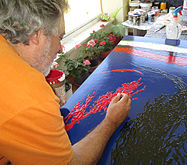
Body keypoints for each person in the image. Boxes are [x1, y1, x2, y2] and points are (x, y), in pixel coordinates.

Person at [0, 0, 131, 164]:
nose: (61, 48)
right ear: (36, 36)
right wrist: (111, 121)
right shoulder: (30, 98)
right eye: (60, 37)